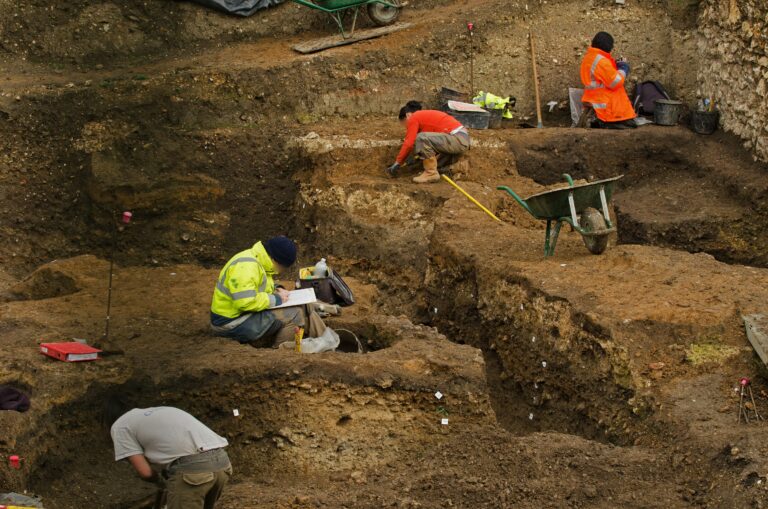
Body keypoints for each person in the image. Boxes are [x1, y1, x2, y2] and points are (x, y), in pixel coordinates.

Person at [109, 405, 232, 509]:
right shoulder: (158, 411)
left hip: (193, 471)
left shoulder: (120, 426)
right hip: (222, 463)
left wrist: (160, 481)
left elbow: (145, 472)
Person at [210, 236, 306, 347]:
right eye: (282, 267)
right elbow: (246, 302)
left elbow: (258, 285)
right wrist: (277, 298)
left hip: (239, 315)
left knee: (297, 309)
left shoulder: (258, 260)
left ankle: (268, 340)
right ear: (275, 260)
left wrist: (276, 289)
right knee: (295, 315)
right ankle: (280, 355)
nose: (280, 271)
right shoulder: (246, 266)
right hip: (229, 323)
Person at [386, 101, 470, 184]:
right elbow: (428, 148)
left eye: (405, 124)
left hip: (457, 138)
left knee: (421, 137)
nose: (407, 128)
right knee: (434, 164)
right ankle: (459, 167)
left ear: (408, 115)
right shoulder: (426, 120)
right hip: (459, 140)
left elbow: (409, 142)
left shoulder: (414, 117)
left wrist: (397, 162)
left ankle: (431, 173)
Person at [580, 32, 637, 129]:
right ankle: (601, 123)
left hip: (593, 99)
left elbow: (603, 77)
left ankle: (596, 120)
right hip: (605, 105)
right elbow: (616, 82)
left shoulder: (590, 57)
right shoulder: (601, 61)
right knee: (630, 124)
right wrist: (623, 68)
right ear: (608, 46)